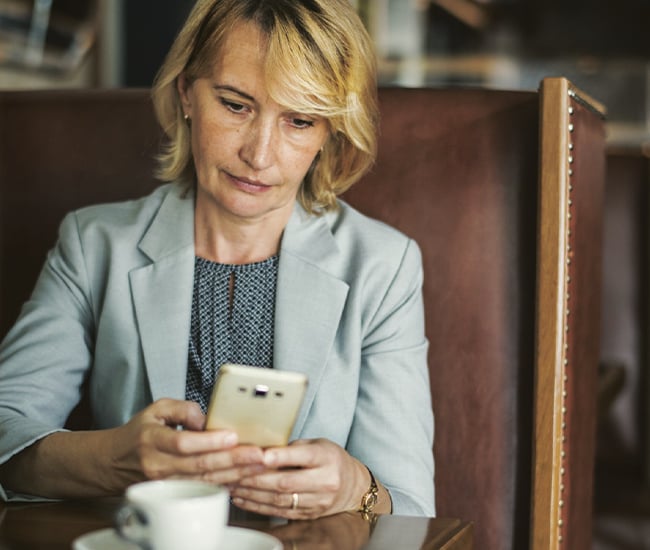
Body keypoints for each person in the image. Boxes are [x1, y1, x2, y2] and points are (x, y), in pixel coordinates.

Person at [0, 0, 434, 518]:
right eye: (235, 105)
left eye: (299, 120)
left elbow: (410, 508)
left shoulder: (383, 267)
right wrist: (118, 458)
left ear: (329, 134)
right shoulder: (94, 244)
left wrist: (352, 488)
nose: (260, 153)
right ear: (186, 92)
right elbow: (7, 434)